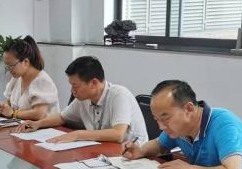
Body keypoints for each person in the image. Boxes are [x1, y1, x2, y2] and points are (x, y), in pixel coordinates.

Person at [14, 55, 148, 143]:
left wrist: (78, 135)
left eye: (75, 85)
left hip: (133, 158)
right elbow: (62, 117)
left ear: (94, 83)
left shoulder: (119, 95)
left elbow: (118, 134)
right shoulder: (83, 100)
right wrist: (38, 124)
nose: (72, 90)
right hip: (104, 153)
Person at [0, 36, 60, 120]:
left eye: (11, 65)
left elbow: (39, 114)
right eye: (7, 66)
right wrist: (3, 108)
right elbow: (9, 105)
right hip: (20, 126)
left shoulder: (42, 81)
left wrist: (13, 113)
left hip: (44, 127)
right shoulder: (16, 78)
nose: (9, 70)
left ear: (25, 62)